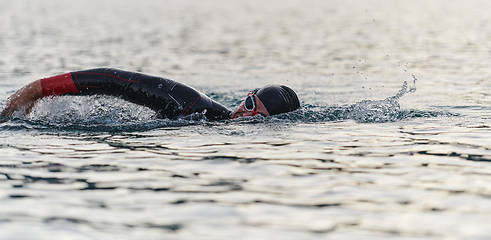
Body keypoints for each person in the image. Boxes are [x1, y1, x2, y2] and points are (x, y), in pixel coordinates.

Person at [0, 68, 300, 120]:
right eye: (248, 104)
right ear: (245, 96)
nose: (243, 115)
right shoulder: (192, 104)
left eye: (256, 117)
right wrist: (36, 90)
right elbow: (111, 80)